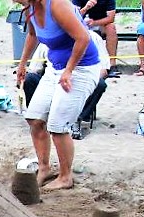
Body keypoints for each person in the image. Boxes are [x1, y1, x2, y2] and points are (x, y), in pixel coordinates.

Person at [16, 0, 101, 190]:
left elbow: (83, 38)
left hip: (81, 68)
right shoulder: (29, 8)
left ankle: (65, 177)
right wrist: (23, 64)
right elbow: (32, 35)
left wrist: (69, 71)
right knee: (35, 118)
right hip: (54, 67)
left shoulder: (57, 5)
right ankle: (44, 168)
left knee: (57, 125)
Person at [23, 31, 109, 138]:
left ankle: (79, 119)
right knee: (30, 78)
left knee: (100, 84)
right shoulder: (49, 36)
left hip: (81, 77)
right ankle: (41, 116)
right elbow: (35, 68)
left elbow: (104, 69)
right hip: (52, 77)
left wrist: (71, 73)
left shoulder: (93, 38)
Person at [73, 0, 120, 75]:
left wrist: (94, 23)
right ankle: (75, 63)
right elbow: (73, 17)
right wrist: (86, 8)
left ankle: (112, 65)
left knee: (111, 28)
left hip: (101, 23)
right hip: (81, 24)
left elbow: (111, 18)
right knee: (70, 28)